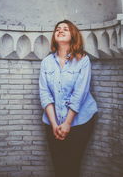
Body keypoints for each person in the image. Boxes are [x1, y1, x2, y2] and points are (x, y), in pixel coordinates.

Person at [39, 20, 98, 177]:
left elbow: (80, 93)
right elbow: (45, 94)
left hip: (80, 120)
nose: (60, 30)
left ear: (73, 35)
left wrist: (67, 123)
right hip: (53, 121)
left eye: (65, 28)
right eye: (57, 29)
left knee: (72, 165)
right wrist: (54, 124)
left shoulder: (82, 60)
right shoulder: (46, 62)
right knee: (58, 165)